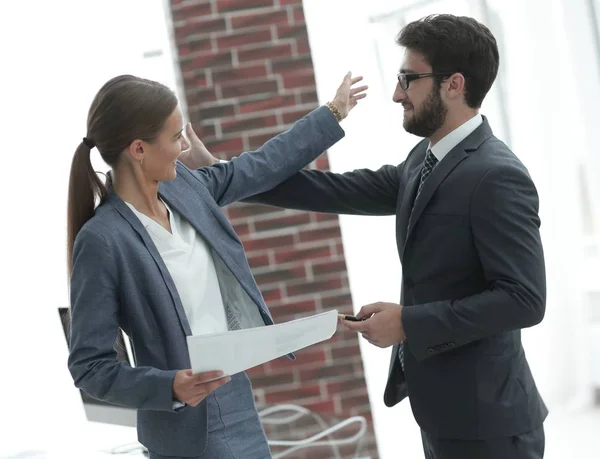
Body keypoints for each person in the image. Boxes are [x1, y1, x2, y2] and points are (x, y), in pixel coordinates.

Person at [188, 13, 548, 459]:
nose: (397, 93)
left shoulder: (497, 176)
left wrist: (407, 323)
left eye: (408, 79)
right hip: (448, 414)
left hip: (491, 423)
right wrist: (226, 175)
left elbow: (524, 300)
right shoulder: (425, 158)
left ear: (454, 85)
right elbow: (334, 189)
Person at [66, 72, 367, 459]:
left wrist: (333, 111)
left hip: (238, 403)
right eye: (176, 137)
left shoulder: (188, 189)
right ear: (138, 149)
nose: (186, 146)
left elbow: (263, 165)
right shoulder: (102, 240)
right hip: (185, 432)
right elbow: (89, 367)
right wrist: (169, 386)